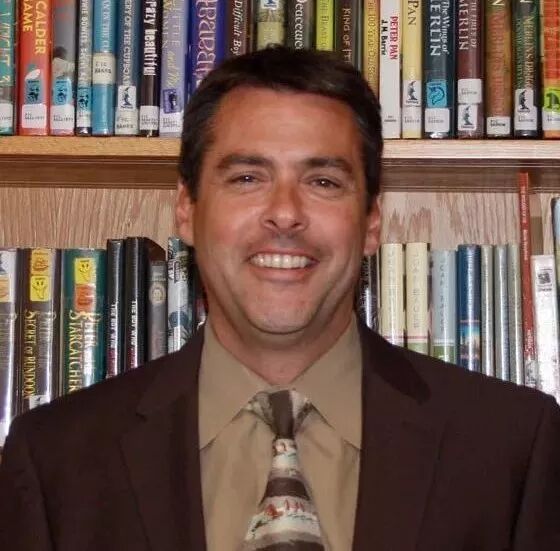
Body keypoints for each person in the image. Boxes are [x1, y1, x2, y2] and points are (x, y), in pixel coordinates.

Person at [1, 47, 559, 551]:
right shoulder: (56, 460)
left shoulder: (510, 447)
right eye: (247, 178)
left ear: (371, 222)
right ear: (187, 210)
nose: (286, 214)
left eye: (323, 182)